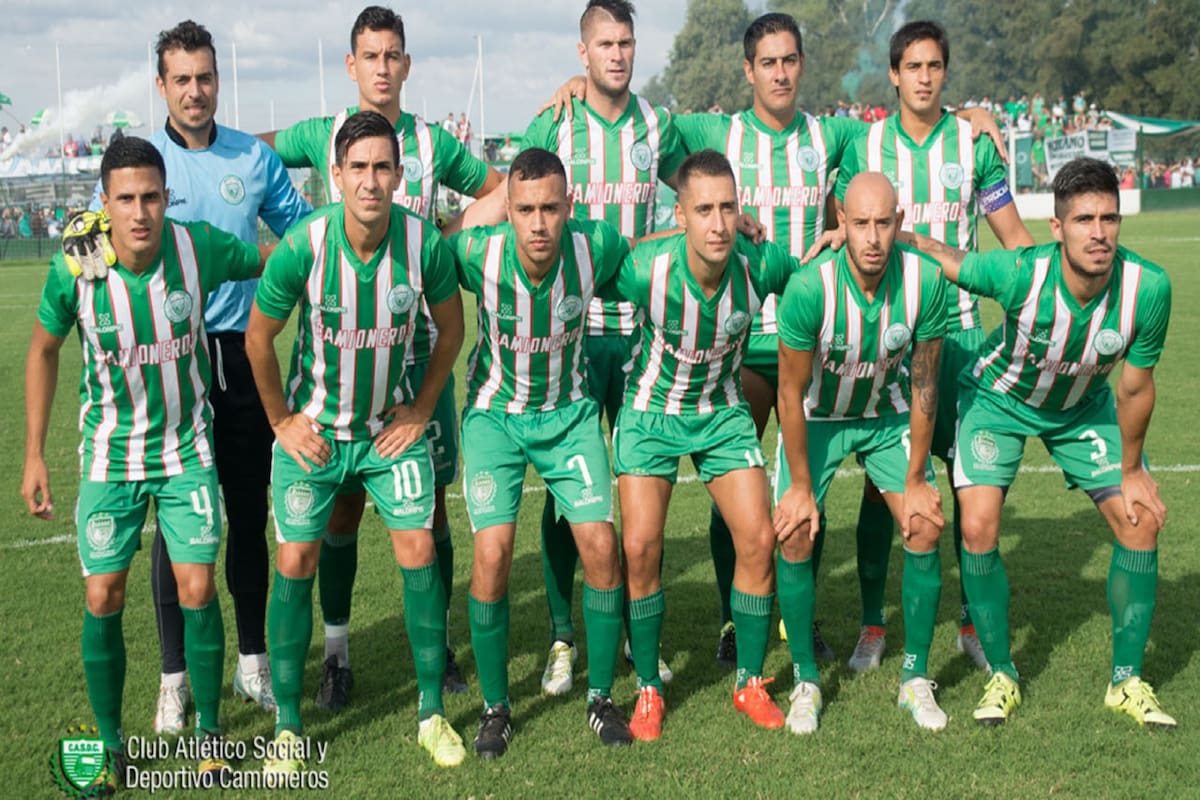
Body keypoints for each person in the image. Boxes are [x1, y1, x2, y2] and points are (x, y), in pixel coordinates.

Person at [263, 5, 505, 705]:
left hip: (421, 353)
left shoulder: (432, 143)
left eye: (392, 54)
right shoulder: (325, 132)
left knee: (428, 512)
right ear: (352, 65)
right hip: (338, 362)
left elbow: (495, 192)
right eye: (369, 55)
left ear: (406, 64)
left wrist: (441, 239)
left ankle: (442, 649)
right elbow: (250, 155)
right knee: (337, 513)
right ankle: (336, 650)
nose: (381, 67)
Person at [76, 20, 313, 734]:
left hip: (241, 354)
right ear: (162, 86)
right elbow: (90, 259)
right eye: (181, 80)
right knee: (166, 521)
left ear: (218, 80)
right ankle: (174, 677)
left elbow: (301, 237)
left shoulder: (253, 156)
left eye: (205, 77)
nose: (195, 91)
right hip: (160, 364)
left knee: (242, 511)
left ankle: (252, 659)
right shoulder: (142, 165)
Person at [23, 136, 270, 792]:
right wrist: (33, 456)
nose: (140, 212)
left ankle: (211, 737)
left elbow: (268, 259)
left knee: (196, 587)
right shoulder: (76, 267)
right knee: (102, 593)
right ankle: (109, 745)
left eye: (152, 197)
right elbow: (43, 351)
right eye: (125, 199)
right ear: (103, 204)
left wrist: (328, 242)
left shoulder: (199, 249)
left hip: (187, 449)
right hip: (110, 457)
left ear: (168, 199)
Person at [898, 157, 1175, 730]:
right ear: (1057, 228)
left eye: (1108, 218)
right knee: (977, 526)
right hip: (997, 403)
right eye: (1083, 220)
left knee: (1140, 518)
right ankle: (1002, 671)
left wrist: (1131, 469)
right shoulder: (1022, 272)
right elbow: (950, 260)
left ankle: (1126, 682)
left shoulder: (1147, 289)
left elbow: (1136, 385)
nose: (1098, 233)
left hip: (1082, 411)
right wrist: (880, 233)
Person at [246, 111, 467, 770]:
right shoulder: (303, 247)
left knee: (420, 543)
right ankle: (288, 725)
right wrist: (282, 421)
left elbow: (451, 331)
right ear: (334, 175)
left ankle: (431, 713)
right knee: (294, 562)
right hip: (315, 435)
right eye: (358, 169)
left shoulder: (424, 244)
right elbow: (259, 338)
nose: (371, 181)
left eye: (383, 168)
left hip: (383, 435)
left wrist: (421, 407)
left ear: (400, 175)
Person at [831, 20, 1034, 673]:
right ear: (892, 75)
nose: (923, 76)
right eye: (911, 66)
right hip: (890, 340)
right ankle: (871, 623)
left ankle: (971, 623)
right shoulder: (862, 143)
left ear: (946, 72)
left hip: (964, 336)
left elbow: (1015, 244)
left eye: (934, 66)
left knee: (969, 484)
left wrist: (1049, 297)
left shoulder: (973, 142)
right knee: (881, 487)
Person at [520, 0, 686, 695]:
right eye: (604, 43)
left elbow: (696, 182)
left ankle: (623, 635)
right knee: (568, 493)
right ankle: (563, 635)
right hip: (575, 337)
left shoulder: (658, 125)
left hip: (644, 336)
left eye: (626, 42)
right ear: (581, 52)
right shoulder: (554, 121)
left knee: (640, 489)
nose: (617, 54)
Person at [450, 147, 634, 759]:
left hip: (569, 416)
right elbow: (417, 255)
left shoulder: (596, 246)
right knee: (493, 556)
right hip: (494, 419)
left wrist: (714, 226)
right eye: (525, 209)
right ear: (506, 209)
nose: (537, 224)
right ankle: (496, 707)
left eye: (550, 209)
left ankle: (601, 696)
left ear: (569, 207)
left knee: (602, 546)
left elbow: (659, 255)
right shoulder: (479, 251)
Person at [616, 150, 799, 741]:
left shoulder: (760, 265)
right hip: (650, 414)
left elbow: (816, 277)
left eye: (727, 208)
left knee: (758, 538)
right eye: (703, 211)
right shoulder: (646, 267)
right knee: (641, 547)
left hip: (721, 413)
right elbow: (573, 266)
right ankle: (648, 686)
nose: (718, 224)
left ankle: (748, 682)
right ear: (681, 215)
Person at [773, 172, 948, 734]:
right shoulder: (809, 287)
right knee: (795, 529)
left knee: (923, 522)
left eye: (884, 223)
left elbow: (924, 384)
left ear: (900, 223)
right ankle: (805, 679)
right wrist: (801, 486)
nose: (873, 238)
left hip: (887, 412)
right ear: (840, 223)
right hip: (819, 417)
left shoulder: (925, 282)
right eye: (861, 223)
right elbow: (790, 394)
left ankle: (916, 678)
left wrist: (917, 476)